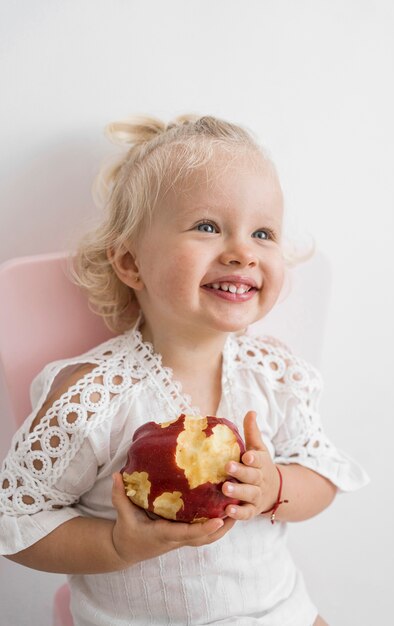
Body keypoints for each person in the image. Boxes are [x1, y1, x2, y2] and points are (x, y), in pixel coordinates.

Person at [0, 115, 368, 626]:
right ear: (131, 263)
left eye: (263, 233)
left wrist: (274, 487)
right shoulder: (94, 396)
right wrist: (117, 544)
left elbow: (323, 473)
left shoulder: (276, 377)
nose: (243, 252)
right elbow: (18, 524)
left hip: (277, 613)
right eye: (207, 226)